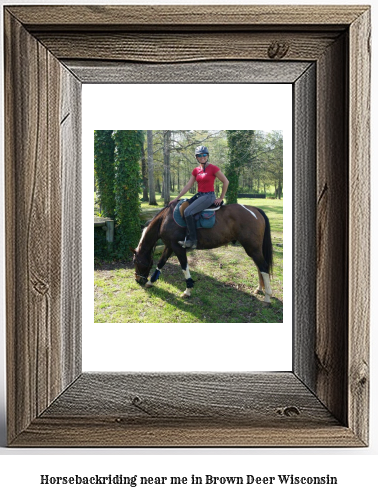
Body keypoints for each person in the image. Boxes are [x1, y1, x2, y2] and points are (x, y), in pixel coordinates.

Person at [169, 145, 229, 248]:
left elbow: (225, 181)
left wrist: (221, 197)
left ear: (207, 156)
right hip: (199, 196)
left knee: (188, 211)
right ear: (196, 157)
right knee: (183, 207)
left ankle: (193, 241)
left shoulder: (213, 168)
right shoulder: (196, 170)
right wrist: (176, 198)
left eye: (204, 154)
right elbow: (188, 185)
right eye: (200, 155)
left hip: (209, 196)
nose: (202, 157)